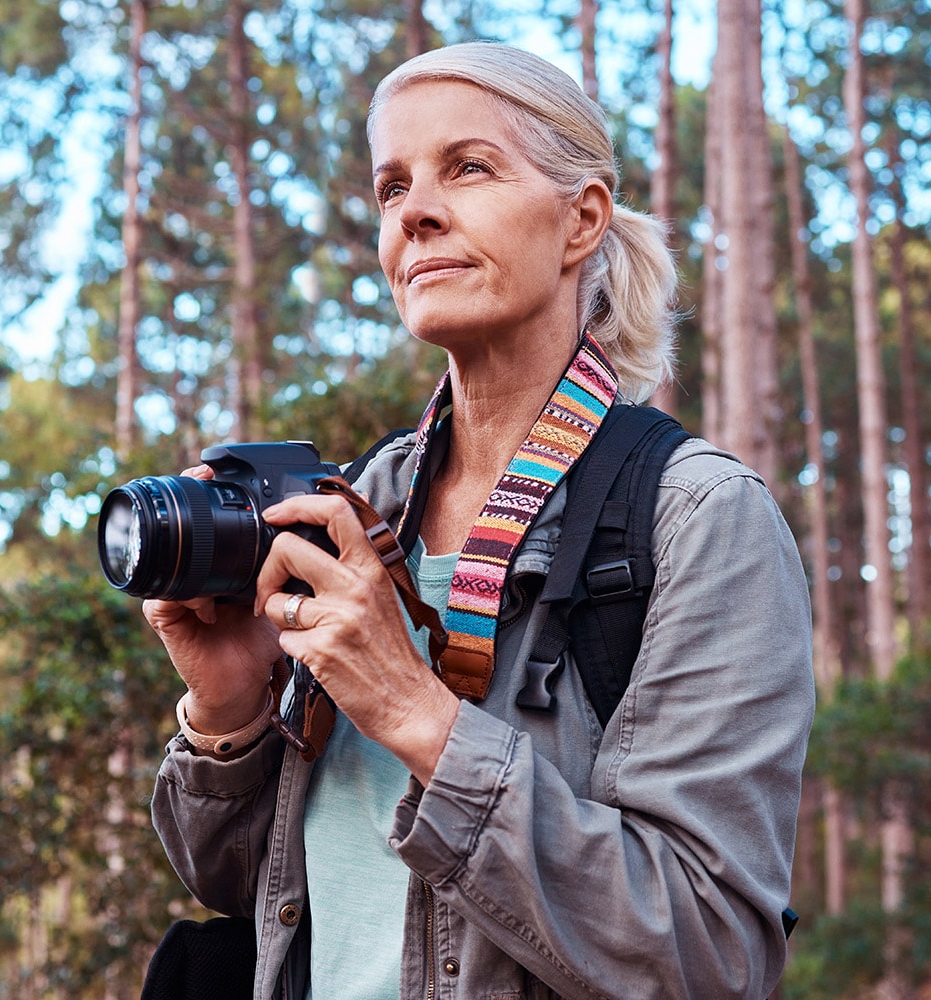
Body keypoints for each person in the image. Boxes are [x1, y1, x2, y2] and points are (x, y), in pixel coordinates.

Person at [145, 42, 813, 1000]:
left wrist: (417, 713)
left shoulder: (697, 519)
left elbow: (709, 954)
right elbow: (258, 891)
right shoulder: (359, 504)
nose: (413, 211)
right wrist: (229, 713)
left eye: (468, 167)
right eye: (391, 186)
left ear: (581, 218)